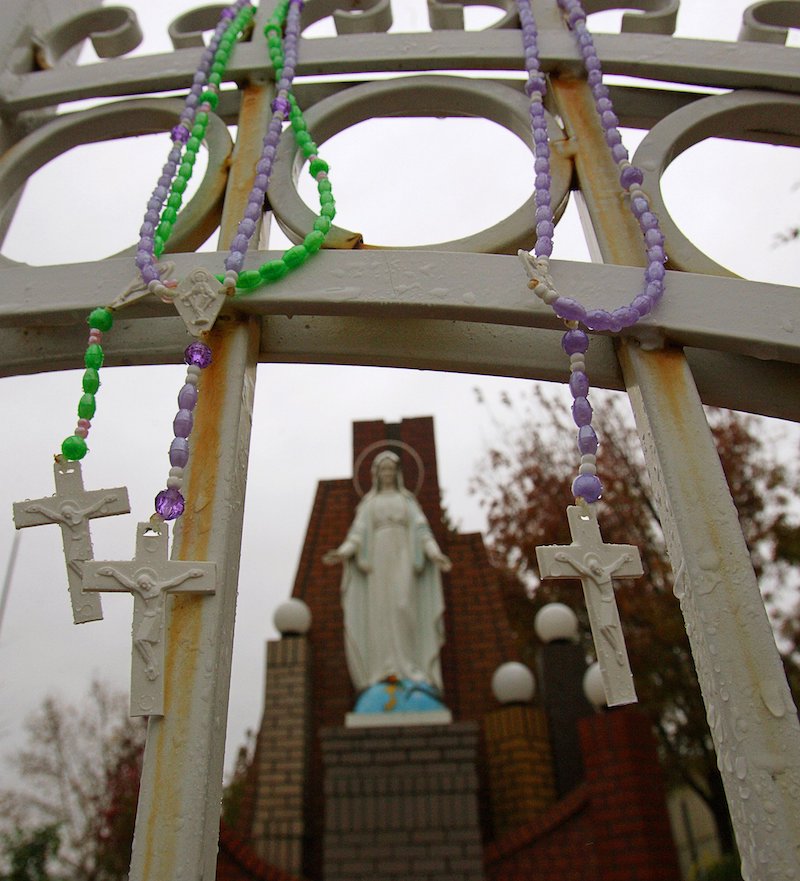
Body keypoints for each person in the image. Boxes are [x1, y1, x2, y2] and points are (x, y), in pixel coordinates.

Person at [323, 451, 451, 694]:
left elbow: (423, 531)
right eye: (383, 470)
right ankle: (384, 670)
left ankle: (410, 667)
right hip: (379, 561)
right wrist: (342, 552)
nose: (387, 474)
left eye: (391, 469)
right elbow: (357, 534)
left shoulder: (407, 502)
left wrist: (435, 554)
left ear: (398, 473)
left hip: (403, 556)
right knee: (381, 612)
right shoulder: (370, 504)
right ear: (376, 474)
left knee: (404, 606)